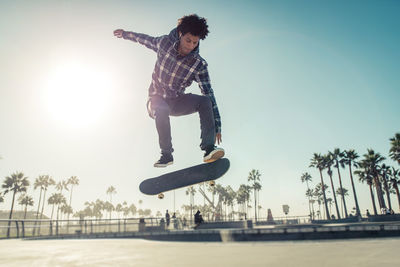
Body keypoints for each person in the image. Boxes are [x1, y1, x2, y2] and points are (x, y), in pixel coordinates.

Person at [114, 14, 224, 167]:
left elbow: (209, 94)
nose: (190, 46)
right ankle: (166, 155)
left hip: (177, 101)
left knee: (205, 101)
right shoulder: (164, 43)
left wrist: (217, 125)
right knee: (161, 107)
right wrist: (125, 34)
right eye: (188, 40)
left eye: (194, 42)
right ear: (180, 34)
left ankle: (209, 149)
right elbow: (144, 39)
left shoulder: (199, 64)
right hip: (156, 99)